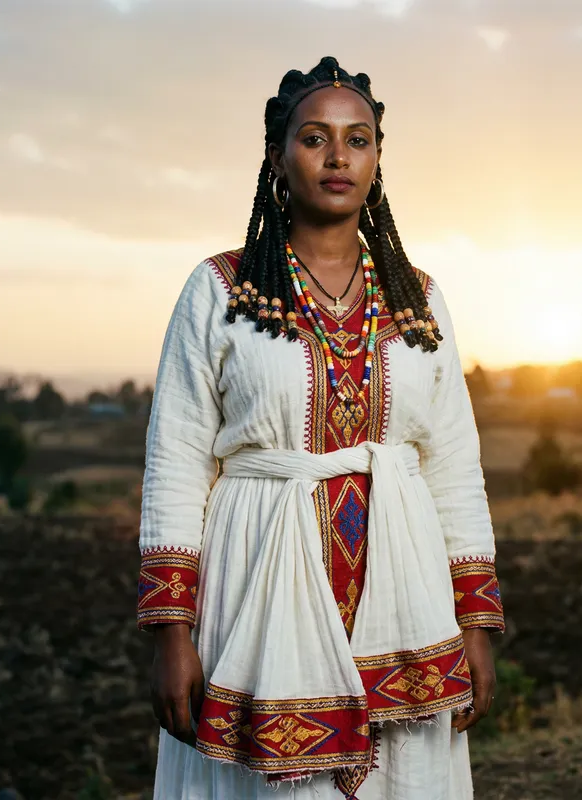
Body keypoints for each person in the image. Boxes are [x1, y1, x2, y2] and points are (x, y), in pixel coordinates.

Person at [136, 56, 505, 800]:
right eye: (315, 138)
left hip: (406, 593)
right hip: (256, 582)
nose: (339, 156)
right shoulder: (221, 289)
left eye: (358, 139)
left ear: (377, 159)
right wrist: (171, 633)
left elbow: (453, 465)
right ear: (277, 157)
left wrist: (476, 621)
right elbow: (176, 462)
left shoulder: (417, 298)